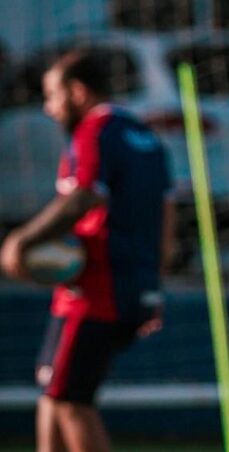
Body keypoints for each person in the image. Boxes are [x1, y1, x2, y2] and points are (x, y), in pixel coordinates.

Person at [0, 49, 175, 452]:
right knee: (54, 389)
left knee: (72, 401)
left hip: (96, 293)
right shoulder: (146, 138)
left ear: (77, 92)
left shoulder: (96, 132)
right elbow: (167, 222)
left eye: (52, 96)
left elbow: (84, 197)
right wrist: (153, 284)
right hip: (128, 287)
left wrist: (21, 241)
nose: (48, 109)